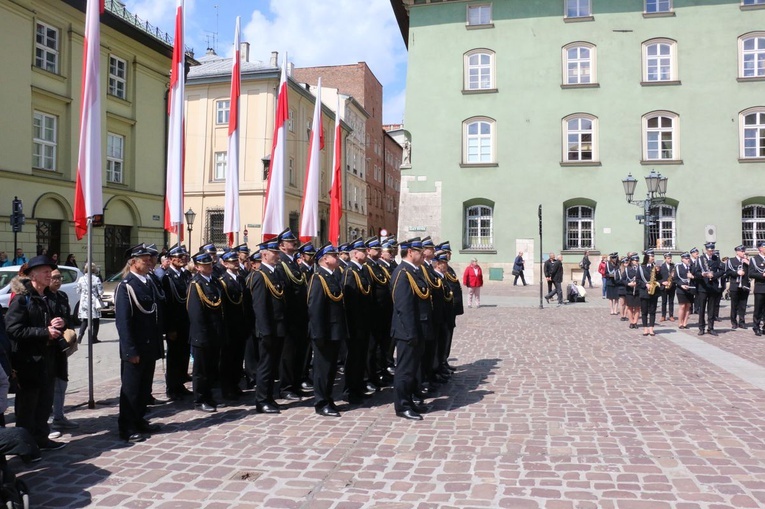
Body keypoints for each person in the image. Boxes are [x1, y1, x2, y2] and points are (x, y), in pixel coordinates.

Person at [5, 255, 67, 450]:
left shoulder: (46, 297)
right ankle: (25, 445)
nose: (50, 275)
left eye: (51, 272)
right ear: (33, 275)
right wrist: (44, 332)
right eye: (46, 272)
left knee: (44, 402)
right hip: (27, 361)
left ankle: (41, 438)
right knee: (27, 406)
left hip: (47, 358)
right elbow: (13, 329)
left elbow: (48, 322)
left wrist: (58, 323)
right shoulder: (22, 299)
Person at [115, 244, 164, 442]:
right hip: (136, 346)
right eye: (145, 259)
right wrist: (130, 350)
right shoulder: (126, 286)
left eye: (151, 259)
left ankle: (139, 418)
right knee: (131, 389)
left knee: (144, 387)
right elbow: (123, 322)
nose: (150, 262)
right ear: (133, 263)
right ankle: (126, 426)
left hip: (149, 344)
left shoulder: (148, 282)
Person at [390, 238, 431, 420]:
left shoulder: (414, 271)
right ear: (410, 253)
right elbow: (403, 307)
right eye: (419, 251)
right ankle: (402, 406)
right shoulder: (402, 273)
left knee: (413, 369)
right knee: (405, 370)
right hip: (408, 331)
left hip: (418, 328)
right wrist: (410, 332)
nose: (423, 254)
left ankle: (410, 400)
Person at [306, 243, 347, 417]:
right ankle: (321, 402)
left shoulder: (332, 276)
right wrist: (318, 334)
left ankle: (328, 398)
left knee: (330, 368)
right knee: (322, 369)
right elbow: (314, 309)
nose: (337, 258)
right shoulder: (318, 279)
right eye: (334, 256)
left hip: (335, 331)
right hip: (323, 332)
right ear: (324, 259)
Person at [250, 239, 287, 414]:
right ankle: (261, 400)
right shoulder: (260, 275)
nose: (277, 255)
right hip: (268, 330)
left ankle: (270, 396)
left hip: (278, 327)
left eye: (278, 252)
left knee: (273, 365)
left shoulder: (276, 274)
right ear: (264, 254)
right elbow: (260, 306)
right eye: (274, 252)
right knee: (265, 366)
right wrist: (265, 331)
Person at [187, 251, 225, 412]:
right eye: (205, 265)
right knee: (200, 371)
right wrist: (202, 336)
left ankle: (209, 396)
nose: (209, 267)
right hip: (202, 335)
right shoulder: (196, 284)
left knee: (211, 369)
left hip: (215, 333)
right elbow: (195, 314)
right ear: (197, 267)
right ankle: (200, 399)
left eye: (210, 264)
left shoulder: (214, 282)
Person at [274, 228, 310, 401]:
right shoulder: (281, 265)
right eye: (290, 242)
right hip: (290, 317)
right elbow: (284, 293)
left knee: (299, 353)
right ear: (281, 246)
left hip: (300, 317)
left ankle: (295, 384)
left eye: (294, 241)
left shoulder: (293, 263)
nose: (294, 244)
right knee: (288, 355)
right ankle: (286, 387)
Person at [341, 237, 374, 404]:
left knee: (361, 357)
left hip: (364, 323)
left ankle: (359, 386)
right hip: (354, 325)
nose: (366, 252)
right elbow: (349, 302)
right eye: (363, 250)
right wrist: (351, 326)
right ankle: (350, 390)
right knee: (353, 358)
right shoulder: (350, 272)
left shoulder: (362, 270)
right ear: (354, 254)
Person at [217, 249, 252, 401]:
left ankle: (236, 385)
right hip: (229, 326)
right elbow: (223, 307)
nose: (235, 263)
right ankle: (227, 388)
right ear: (225, 264)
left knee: (238, 358)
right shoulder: (223, 281)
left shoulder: (240, 279)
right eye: (231, 261)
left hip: (240, 325)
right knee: (227, 359)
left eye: (236, 261)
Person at [47, 268, 79, 434]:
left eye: (60, 278)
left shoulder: (62, 296)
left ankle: (59, 416)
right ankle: (49, 421)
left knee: (62, 381)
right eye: (54, 278)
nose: (58, 281)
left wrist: (65, 323)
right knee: (49, 384)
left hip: (61, 347)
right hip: (48, 345)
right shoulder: (43, 297)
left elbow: (69, 317)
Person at [161, 245, 193, 401]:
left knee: (184, 355)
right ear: (171, 259)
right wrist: (170, 328)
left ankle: (180, 384)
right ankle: (172, 387)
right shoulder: (167, 277)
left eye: (184, 256)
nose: (182, 259)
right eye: (178, 257)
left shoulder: (186, 275)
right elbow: (168, 305)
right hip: (175, 323)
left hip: (187, 322)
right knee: (174, 357)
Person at [692, 242, 724, 336]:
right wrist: (703, 274)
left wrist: (714, 275)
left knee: (711, 308)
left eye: (712, 250)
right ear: (706, 250)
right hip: (703, 286)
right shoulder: (700, 259)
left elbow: (722, 271)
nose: (711, 252)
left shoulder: (716, 258)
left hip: (713, 286)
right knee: (702, 308)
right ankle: (701, 327)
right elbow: (695, 272)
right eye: (709, 251)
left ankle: (711, 327)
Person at [637, 250, 663, 336]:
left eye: (653, 257)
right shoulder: (641, 267)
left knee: (652, 311)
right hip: (644, 292)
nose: (653, 258)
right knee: (644, 311)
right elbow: (638, 280)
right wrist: (645, 284)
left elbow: (660, 278)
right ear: (647, 257)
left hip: (654, 292)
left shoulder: (655, 267)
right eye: (651, 257)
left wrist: (658, 271)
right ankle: (645, 328)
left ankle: (651, 328)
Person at [76, 263, 103, 344]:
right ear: (94, 269)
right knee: (96, 320)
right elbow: (101, 291)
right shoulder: (96, 279)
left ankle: (80, 337)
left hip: (84, 301)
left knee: (85, 320)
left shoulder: (81, 279)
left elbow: (78, 291)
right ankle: (94, 338)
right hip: (94, 301)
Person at [726, 245, 750, 330]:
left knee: (743, 305)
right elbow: (728, 272)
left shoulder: (747, 261)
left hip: (744, 285)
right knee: (734, 305)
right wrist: (737, 272)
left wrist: (748, 263)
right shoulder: (731, 260)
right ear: (737, 252)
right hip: (735, 285)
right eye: (742, 251)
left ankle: (742, 322)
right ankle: (734, 322)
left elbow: (753, 271)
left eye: (744, 251)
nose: (743, 253)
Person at [674, 252, 696, 330]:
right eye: (686, 259)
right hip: (681, 289)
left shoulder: (692, 266)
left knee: (688, 306)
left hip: (690, 288)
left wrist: (692, 276)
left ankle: (685, 322)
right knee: (682, 306)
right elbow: (675, 278)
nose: (687, 260)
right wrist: (681, 285)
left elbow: (696, 276)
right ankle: (680, 323)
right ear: (682, 259)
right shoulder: (678, 267)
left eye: (688, 258)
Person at [749, 240, 765, 336]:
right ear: (760, 248)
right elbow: (751, 273)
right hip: (760, 287)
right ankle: (756, 326)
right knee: (758, 309)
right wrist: (762, 275)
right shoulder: (754, 260)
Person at [622, 255, 641, 329]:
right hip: (629, 290)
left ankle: (635, 322)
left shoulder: (640, 269)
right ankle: (631, 322)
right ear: (631, 261)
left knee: (637, 307)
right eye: (635, 261)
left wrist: (637, 283)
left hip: (637, 290)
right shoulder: (627, 269)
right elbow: (623, 279)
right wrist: (628, 284)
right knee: (630, 307)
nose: (636, 262)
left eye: (637, 260)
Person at [658, 253, 676, 323]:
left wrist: (674, 276)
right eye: (668, 258)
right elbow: (658, 277)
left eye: (670, 258)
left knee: (671, 302)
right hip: (664, 286)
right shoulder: (661, 266)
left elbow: (676, 276)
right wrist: (662, 282)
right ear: (665, 259)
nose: (670, 259)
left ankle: (671, 315)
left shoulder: (673, 266)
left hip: (672, 286)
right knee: (664, 302)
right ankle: (663, 316)